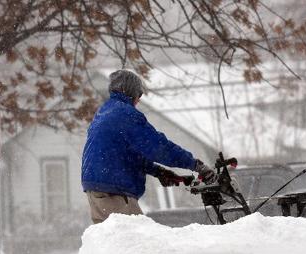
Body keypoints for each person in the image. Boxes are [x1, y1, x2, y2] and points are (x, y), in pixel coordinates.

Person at [81, 69, 216, 224]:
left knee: (113, 242)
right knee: (137, 241)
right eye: (140, 94)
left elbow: (126, 154)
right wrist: (195, 165)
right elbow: (158, 147)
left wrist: (158, 171)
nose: (139, 100)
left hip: (97, 188)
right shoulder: (126, 114)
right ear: (131, 92)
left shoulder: (106, 111)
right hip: (114, 191)